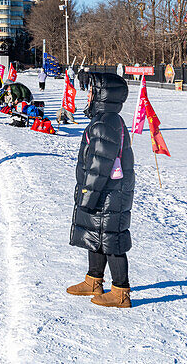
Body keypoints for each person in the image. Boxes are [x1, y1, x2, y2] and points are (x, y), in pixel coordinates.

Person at [67, 72, 134, 308]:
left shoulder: (105, 123)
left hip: (109, 193)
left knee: (112, 240)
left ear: (103, 95)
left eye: (92, 90)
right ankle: (94, 280)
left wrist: (87, 195)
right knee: (96, 235)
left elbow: (99, 166)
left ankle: (121, 292)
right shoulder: (105, 119)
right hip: (105, 192)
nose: (89, 94)